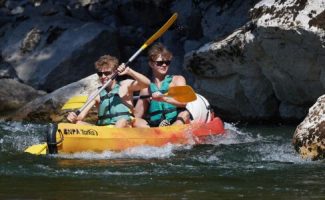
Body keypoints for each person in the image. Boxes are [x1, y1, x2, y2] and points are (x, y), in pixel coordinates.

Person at [67, 54, 150, 128]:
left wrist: (129, 71)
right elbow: (81, 115)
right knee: (78, 123)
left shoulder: (125, 86)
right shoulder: (96, 94)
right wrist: (74, 117)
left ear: (115, 72)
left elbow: (146, 83)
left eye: (107, 73)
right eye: (100, 74)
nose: (103, 76)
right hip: (104, 130)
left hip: (124, 126)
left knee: (121, 122)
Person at [134, 43, 191, 127]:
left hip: (175, 120)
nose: (164, 65)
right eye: (160, 63)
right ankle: (156, 133)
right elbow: (137, 115)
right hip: (156, 125)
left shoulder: (177, 80)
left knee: (184, 114)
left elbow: (184, 102)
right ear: (151, 64)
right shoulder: (146, 89)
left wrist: (164, 98)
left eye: (167, 62)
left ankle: (172, 129)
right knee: (135, 121)